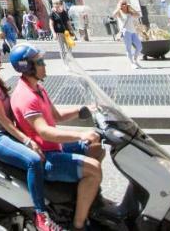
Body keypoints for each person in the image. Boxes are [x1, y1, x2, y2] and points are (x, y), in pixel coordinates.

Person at [8, 43, 104, 231]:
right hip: (46, 157)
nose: (45, 65)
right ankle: (78, 225)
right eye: (40, 61)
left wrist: (82, 110)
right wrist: (80, 134)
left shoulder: (38, 88)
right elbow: (45, 131)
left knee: (96, 145)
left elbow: (56, 116)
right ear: (26, 67)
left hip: (53, 147)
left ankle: (82, 197)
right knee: (94, 169)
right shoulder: (26, 97)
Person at [0, 36, 47, 231]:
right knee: (32, 160)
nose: (1, 54)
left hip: (1, 133)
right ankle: (40, 214)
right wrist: (27, 140)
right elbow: (3, 120)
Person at [113, 0, 142, 68]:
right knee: (128, 48)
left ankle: (135, 60)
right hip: (125, 31)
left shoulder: (130, 12)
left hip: (133, 31)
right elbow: (113, 15)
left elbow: (138, 15)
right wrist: (119, 7)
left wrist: (131, 7)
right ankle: (132, 63)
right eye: (122, 4)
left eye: (125, 4)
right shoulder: (119, 13)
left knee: (139, 46)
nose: (124, 5)